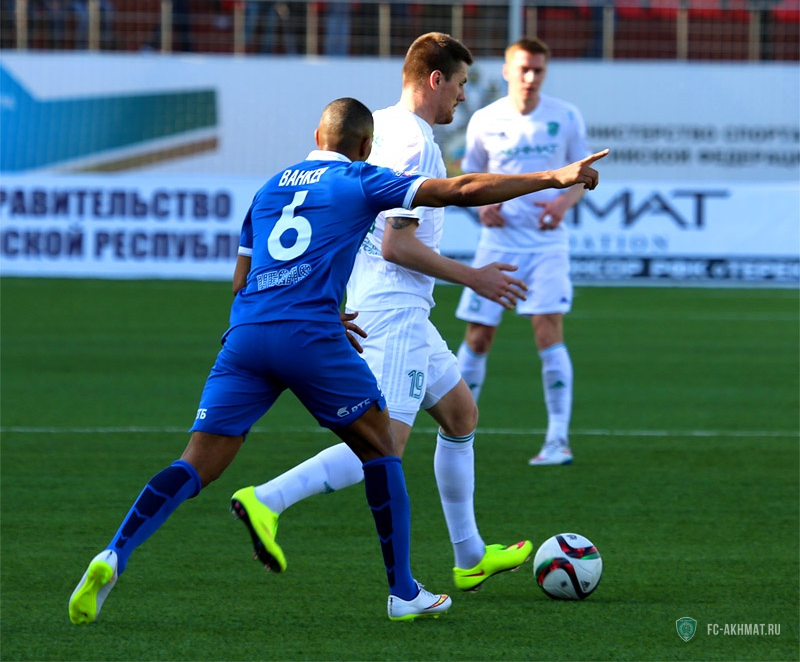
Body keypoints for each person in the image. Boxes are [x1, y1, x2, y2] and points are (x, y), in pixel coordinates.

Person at [67, 95, 606, 626]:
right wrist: (552, 178)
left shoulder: (268, 188)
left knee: (194, 464)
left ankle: (114, 552)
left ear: (316, 137)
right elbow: (461, 189)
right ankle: (403, 592)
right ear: (366, 146)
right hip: (311, 337)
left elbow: (241, 280)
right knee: (383, 449)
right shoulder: (360, 180)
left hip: (247, 335)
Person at [235, 33, 602, 597]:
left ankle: (470, 556)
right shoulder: (414, 142)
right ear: (435, 80)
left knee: (460, 415)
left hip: (387, 301)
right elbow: (397, 245)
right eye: (459, 84)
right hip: (394, 307)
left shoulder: (378, 127)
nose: (463, 97)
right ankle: (268, 499)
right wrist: (474, 275)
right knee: (384, 444)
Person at [454, 37, 589, 467]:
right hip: (498, 243)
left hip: (548, 243)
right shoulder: (485, 119)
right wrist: (482, 207)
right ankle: (457, 429)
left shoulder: (565, 116)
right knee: (479, 336)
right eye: (523, 69)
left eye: (538, 70)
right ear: (507, 71)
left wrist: (563, 203)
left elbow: (584, 175)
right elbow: (468, 177)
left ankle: (557, 440)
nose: (530, 77)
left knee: (547, 332)